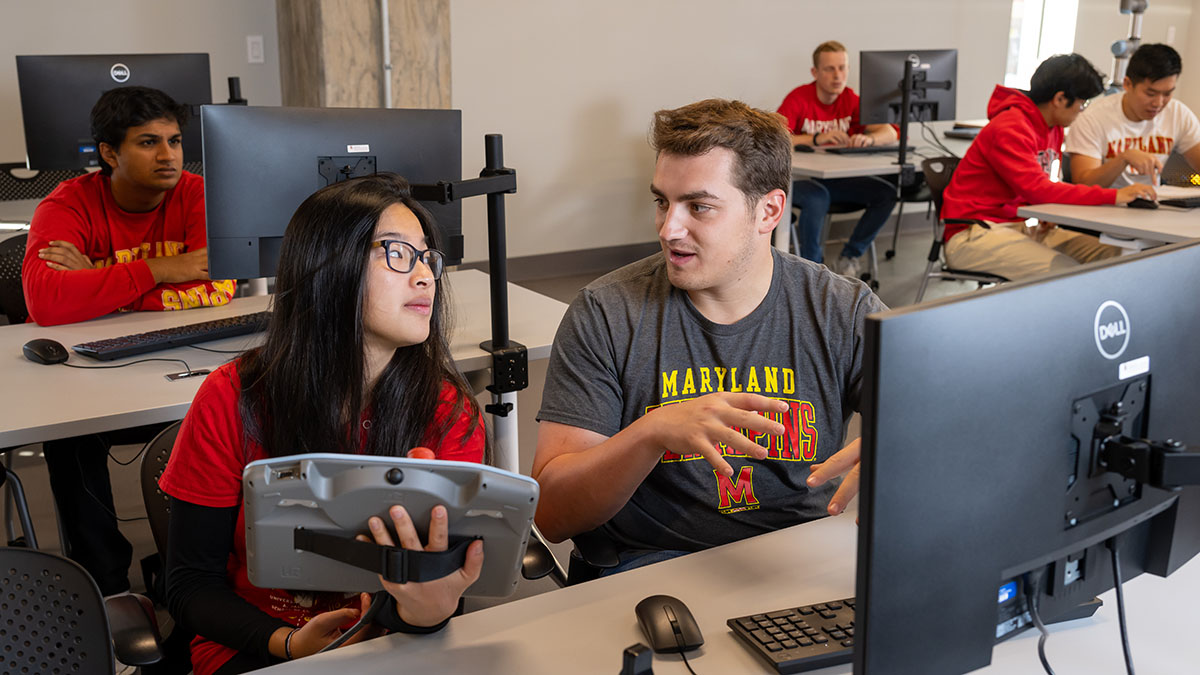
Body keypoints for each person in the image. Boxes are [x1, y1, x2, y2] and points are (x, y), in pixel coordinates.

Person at [532, 99, 880, 575]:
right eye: (661, 201)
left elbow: (945, 423)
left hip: (802, 557)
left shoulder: (842, 309)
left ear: (768, 211)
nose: (667, 228)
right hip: (654, 566)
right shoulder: (606, 313)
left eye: (699, 206)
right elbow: (551, 514)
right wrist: (650, 433)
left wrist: (910, 442)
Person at [159, 173, 487, 674]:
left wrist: (429, 613)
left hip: (392, 647)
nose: (426, 277)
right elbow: (189, 586)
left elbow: (437, 595)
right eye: (397, 253)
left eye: (427, 258)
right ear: (327, 267)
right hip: (256, 645)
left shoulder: (446, 410)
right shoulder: (233, 396)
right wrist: (288, 644)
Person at [19, 86, 236, 597]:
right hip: (91, 375)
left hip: (177, 361)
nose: (169, 156)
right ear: (110, 153)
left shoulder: (196, 194)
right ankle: (106, 586)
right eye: (148, 142)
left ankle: (190, 567)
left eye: (175, 140)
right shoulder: (67, 204)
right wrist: (162, 269)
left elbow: (218, 285)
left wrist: (97, 282)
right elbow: (46, 303)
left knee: (225, 409)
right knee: (70, 436)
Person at [940, 54, 1158, 281]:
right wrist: (1116, 196)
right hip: (974, 235)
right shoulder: (1010, 127)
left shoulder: (1051, 127)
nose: (1082, 111)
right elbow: (1040, 189)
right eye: (1081, 103)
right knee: (1065, 275)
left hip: (1018, 228)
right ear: (1060, 99)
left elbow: (1036, 186)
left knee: (1117, 256)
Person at [777, 40, 899, 277]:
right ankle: (812, 271)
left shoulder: (851, 99)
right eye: (829, 69)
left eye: (843, 68)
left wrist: (870, 139)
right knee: (817, 197)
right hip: (798, 181)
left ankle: (850, 255)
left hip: (834, 178)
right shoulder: (800, 97)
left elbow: (892, 132)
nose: (837, 75)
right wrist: (815, 139)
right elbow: (775, 136)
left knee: (886, 194)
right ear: (815, 72)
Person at [1067, 43, 1200, 188]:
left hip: (1152, 205)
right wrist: (1123, 159)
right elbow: (1084, 184)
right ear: (1127, 84)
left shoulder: (1177, 113)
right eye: (1150, 94)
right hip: (1104, 206)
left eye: (1167, 94)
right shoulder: (1092, 118)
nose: (1159, 103)